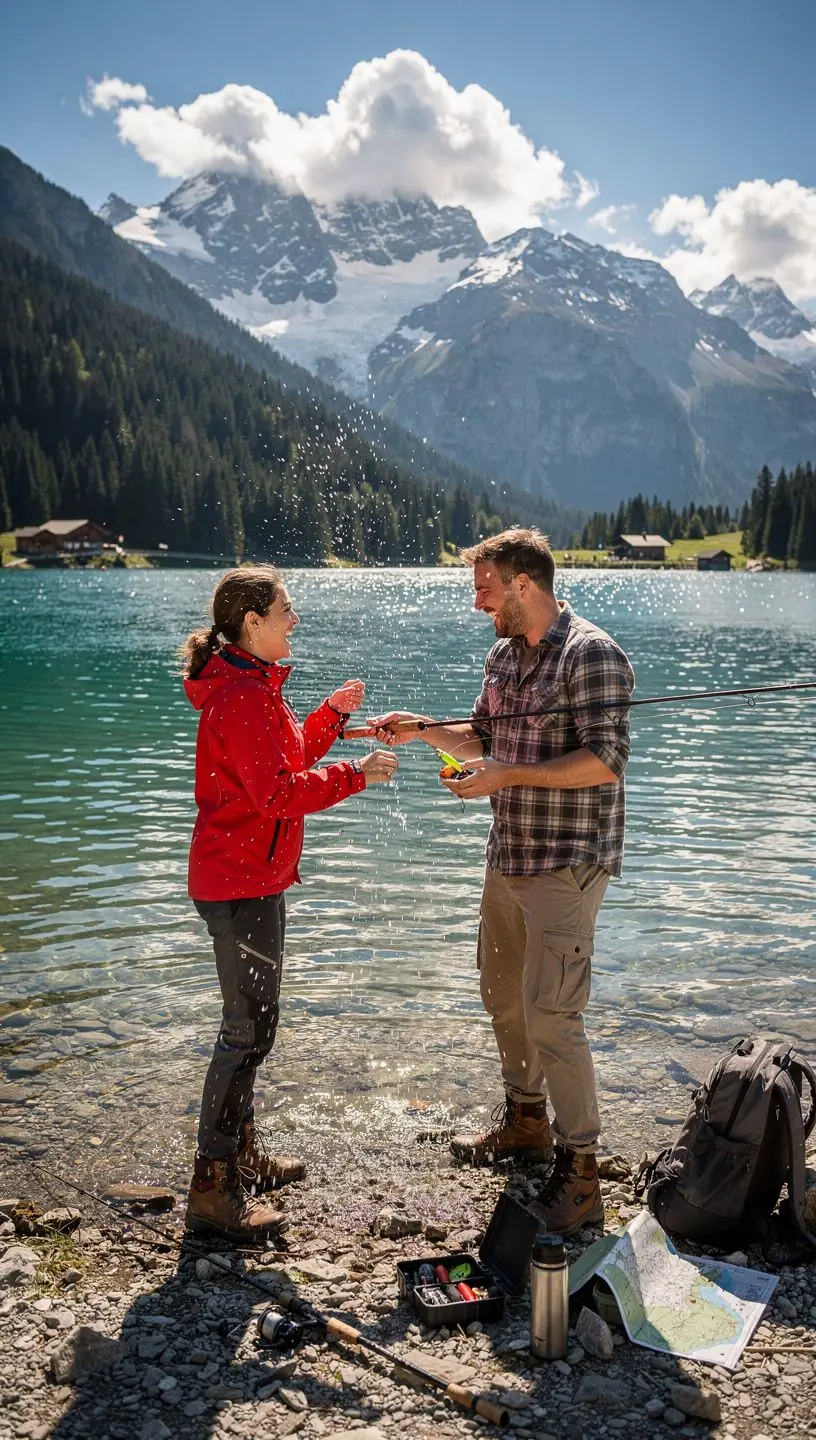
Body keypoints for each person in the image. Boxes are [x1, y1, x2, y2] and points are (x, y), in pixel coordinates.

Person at [371, 529, 634, 1235]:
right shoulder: (502, 653)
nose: (477, 600)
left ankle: (581, 1175)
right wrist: (424, 730)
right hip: (508, 855)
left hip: (567, 861)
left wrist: (506, 775)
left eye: (484, 587)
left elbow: (604, 762)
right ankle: (525, 1122)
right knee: (501, 994)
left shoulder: (593, 654)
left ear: (524, 584)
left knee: (553, 1013)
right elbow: (482, 741)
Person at [180, 566, 397, 1242]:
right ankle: (213, 1188)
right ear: (252, 621)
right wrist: (355, 777)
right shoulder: (242, 697)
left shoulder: (253, 687)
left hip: (251, 879)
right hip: (240, 885)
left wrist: (329, 720)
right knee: (246, 1030)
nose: (293, 620)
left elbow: (283, 758)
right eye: (285, 610)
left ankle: (240, 1156)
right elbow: (276, 793)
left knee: (255, 1024)